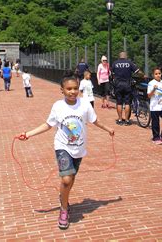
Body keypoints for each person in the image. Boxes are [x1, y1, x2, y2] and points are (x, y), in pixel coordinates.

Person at [17, 72, 114, 230]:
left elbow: (95, 120)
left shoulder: (84, 105)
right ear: (62, 90)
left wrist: (108, 129)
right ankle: (63, 209)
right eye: (69, 89)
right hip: (62, 146)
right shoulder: (58, 106)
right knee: (66, 180)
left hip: (79, 148)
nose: (73, 91)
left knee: (70, 179)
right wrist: (28, 134)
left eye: (75, 88)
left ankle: (63, 198)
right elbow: (48, 125)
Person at [111, 52, 140, 126]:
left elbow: (111, 73)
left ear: (119, 56)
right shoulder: (129, 63)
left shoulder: (115, 63)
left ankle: (120, 120)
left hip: (118, 85)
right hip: (127, 84)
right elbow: (137, 71)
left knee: (119, 102)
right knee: (127, 103)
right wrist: (143, 75)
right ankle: (127, 120)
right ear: (125, 56)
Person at [147, 67, 162, 145]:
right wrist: (154, 89)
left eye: (159, 73)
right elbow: (149, 96)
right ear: (153, 75)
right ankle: (156, 137)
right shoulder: (151, 83)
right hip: (154, 107)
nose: (158, 75)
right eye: (156, 74)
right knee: (155, 123)